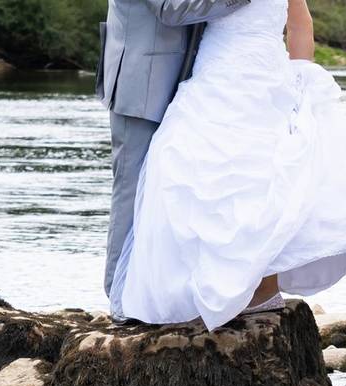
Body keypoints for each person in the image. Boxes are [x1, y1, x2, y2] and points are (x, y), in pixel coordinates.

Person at [108, 0, 346, 330]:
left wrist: (302, 77)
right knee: (203, 169)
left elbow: (301, 23)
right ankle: (198, 288)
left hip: (265, 74)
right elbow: (174, 9)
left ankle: (258, 287)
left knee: (267, 172)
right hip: (217, 70)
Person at [97, 0, 251, 304]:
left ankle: (157, 292)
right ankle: (118, 295)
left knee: (170, 193)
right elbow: (171, 9)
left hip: (180, 81)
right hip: (141, 83)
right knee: (131, 190)